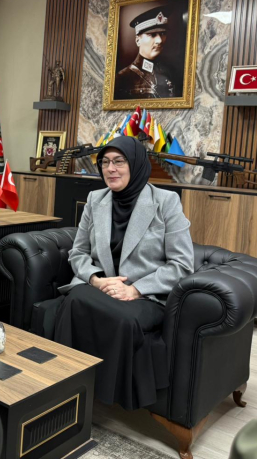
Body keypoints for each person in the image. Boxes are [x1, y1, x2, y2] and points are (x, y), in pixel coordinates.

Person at [53, 135, 194, 410]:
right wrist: (96, 280)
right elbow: (78, 252)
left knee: (120, 318)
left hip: (145, 295)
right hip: (99, 288)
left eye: (119, 161)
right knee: (75, 300)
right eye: (105, 162)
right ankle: (66, 387)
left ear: (136, 164)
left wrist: (135, 289)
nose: (110, 169)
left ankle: (103, 400)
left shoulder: (166, 202)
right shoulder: (95, 199)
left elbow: (182, 265)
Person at [114, 5, 177, 100]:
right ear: (138, 40)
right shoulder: (123, 78)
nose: (160, 40)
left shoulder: (172, 72)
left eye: (163, 33)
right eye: (152, 35)